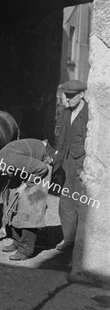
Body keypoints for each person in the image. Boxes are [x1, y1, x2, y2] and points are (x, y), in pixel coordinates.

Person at [0, 139, 54, 260]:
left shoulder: (9, 160)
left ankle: (26, 249)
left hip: (42, 162)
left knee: (28, 206)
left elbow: (41, 169)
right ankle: (17, 241)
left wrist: (24, 186)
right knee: (12, 200)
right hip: (28, 165)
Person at [53, 79, 88, 251]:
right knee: (65, 202)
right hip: (67, 163)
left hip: (81, 164)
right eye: (67, 95)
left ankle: (81, 242)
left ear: (81, 95)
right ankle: (68, 239)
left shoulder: (89, 113)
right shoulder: (67, 112)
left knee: (81, 202)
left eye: (72, 96)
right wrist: (57, 161)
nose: (68, 99)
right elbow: (61, 140)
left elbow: (91, 142)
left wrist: (85, 168)